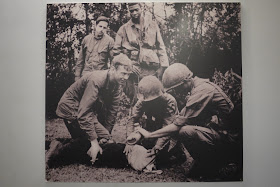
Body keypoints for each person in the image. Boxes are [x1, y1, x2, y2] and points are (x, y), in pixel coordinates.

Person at [136, 63, 240, 177]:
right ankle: (207, 162)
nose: (177, 92)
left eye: (177, 88)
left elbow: (177, 125)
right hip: (221, 133)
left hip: (230, 140)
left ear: (186, 81)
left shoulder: (202, 91)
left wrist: (150, 135)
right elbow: (181, 118)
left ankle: (210, 166)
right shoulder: (198, 87)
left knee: (184, 131)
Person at [46, 54, 132, 168]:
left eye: (128, 74)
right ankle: (55, 151)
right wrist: (94, 141)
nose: (126, 78)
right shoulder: (96, 80)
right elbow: (83, 113)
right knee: (86, 144)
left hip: (84, 111)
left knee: (104, 141)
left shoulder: (117, 85)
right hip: (70, 109)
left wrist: (104, 137)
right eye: (123, 73)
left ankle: (55, 143)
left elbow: (112, 113)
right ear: (112, 69)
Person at [113, 3, 169, 103]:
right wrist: (129, 65)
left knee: (154, 98)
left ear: (141, 8)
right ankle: (135, 117)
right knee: (136, 100)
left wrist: (162, 67)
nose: (134, 13)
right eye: (131, 11)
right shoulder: (123, 29)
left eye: (136, 10)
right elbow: (116, 52)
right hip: (133, 71)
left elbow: (161, 47)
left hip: (151, 69)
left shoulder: (152, 25)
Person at [75, 16, 114, 81]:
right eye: (100, 26)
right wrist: (77, 76)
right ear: (95, 26)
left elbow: (113, 61)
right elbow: (80, 61)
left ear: (107, 29)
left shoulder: (110, 41)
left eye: (104, 28)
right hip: (85, 75)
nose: (102, 29)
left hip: (100, 77)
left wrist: (109, 77)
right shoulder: (86, 39)